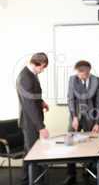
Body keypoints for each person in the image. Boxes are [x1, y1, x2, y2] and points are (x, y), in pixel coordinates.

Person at [63, 60, 99, 185]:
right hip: (76, 116)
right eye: (78, 73)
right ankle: (71, 174)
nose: (79, 75)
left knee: (91, 143)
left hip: (91, 117)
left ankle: (89, 170)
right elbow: (70, 99)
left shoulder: (97, 80)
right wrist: (74, 116)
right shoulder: (72, 79)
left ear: (88, 72)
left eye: (81, 73)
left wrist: (97, 122)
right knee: (70, 143)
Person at [16, 52, 50, 185]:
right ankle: (36, 182)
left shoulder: (32, 74)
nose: (43, 70)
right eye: (43, 67)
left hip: (32, 121)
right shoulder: (25, 77)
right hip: (30, 122)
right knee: (34, 153)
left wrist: (41, 102)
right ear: (36, 64)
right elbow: (29, 105)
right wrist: (41, 127)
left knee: (28, 152)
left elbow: (32, 96)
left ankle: (25, 180)